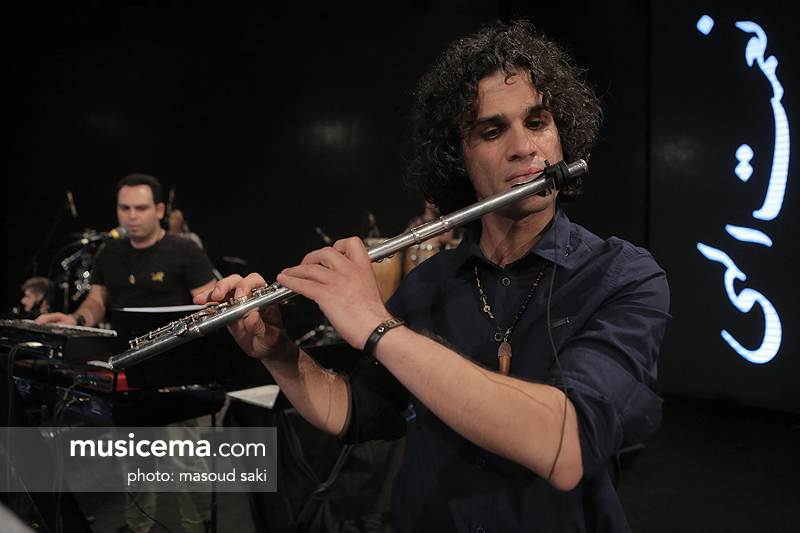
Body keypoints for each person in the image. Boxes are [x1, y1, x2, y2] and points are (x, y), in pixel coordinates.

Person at [195, 20, 670, 531]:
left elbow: (566, 444)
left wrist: (376, 326)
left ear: (561, 135)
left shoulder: (622, 276)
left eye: (537, 122)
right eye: (492, 131)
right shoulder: (428, 282)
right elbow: (360, 412)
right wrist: (279, 354)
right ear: (458, 157)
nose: (523, 147)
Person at [37, 173, 217, 533]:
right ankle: (138, 527)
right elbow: (98, 300)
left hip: (176, 373)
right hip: (129, 370)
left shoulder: (185, 250)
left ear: (159, 210)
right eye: (125, 208)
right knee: (134, 460)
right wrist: (74, 319)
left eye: (141, 208)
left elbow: (212, 304)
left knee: (187, 463)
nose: (132, 215)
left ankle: (197, 526)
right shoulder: (111, 251)